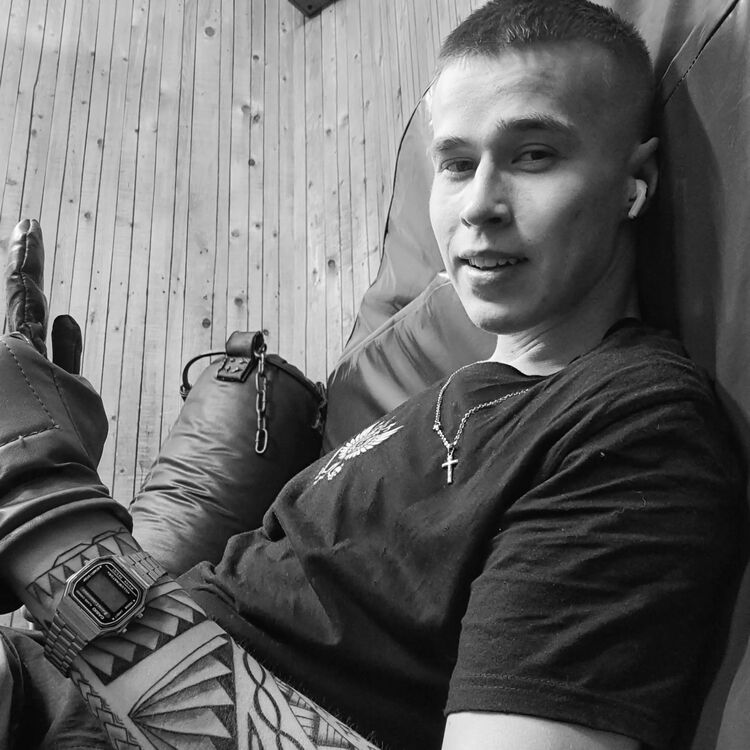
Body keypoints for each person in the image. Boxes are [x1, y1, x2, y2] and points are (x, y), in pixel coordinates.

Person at [0, 1, 744, 748]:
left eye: (534, 156)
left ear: (634, 183)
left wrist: (45, 513)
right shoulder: (453, 392)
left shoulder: (633, 426)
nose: (478, 205)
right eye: (456, 164)